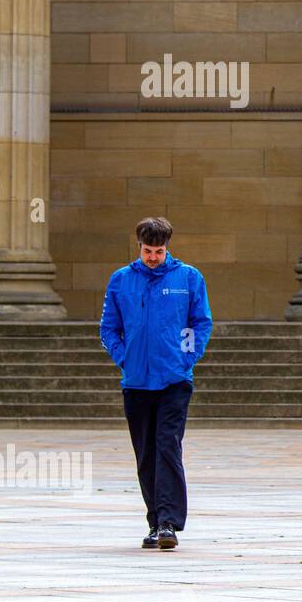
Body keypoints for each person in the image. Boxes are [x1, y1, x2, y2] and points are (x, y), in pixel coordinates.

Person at [99, 217, 213, 551]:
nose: (153, 257)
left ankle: (169, 523)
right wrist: (125, 357)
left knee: (167, 446)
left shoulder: (188, 278)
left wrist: (185, 358)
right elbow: (109, 328)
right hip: (136, 382)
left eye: (158, 251)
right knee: (145, 453)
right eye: (148, 251)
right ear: (140, 247)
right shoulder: (121, 280)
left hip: (174, 381)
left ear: (167, 248)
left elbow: (200, 322)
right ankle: (155, 521)